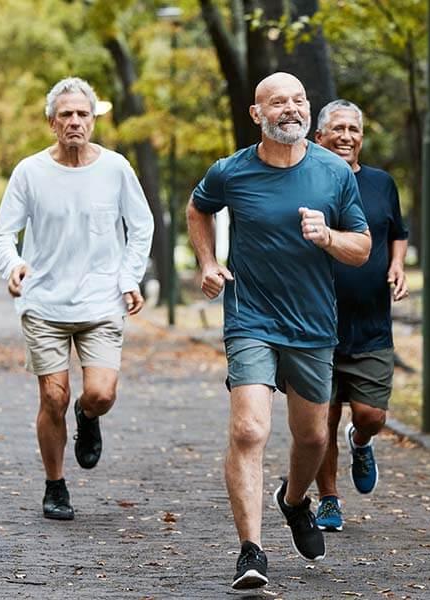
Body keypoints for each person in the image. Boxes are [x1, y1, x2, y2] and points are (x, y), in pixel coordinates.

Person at [186, 73, 371, 590]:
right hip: (251, 319)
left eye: (298, 100)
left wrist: (328, 236)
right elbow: (198, 208)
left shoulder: (334, 172)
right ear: (256, 114)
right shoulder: (231, 172)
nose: (291, 109)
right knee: (249, 429)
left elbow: (362, 247)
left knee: (313, 436)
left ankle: (293, 501)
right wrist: (207, 262)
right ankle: (251, 550)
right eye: (278, 102)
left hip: (313, 324)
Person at [0, 77, 153, 521]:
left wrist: (129, 277)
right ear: (52, 123)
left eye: (83, 114)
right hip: (44, 303)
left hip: (102, 301)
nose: (75, 121)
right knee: (53, 399)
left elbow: (141, 227)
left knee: (99, 394)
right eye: (66, 114)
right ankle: (55, 485)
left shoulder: (117, 168)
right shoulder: (30, 171)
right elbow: (3, 234)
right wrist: (13, 265)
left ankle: (88, 416)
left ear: (94, 119)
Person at [311, 100, 409, 532]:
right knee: (321, 421)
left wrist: (397, 265)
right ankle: (328, 499)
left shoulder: (381, 183)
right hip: (316, 325)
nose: (347, 136)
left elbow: (398, 233)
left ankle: (362, 440)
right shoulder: (307, 183)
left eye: (354, 129)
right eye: (337, 128)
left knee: (370, 414)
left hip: (371, 324)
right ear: (320, 138)